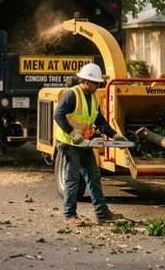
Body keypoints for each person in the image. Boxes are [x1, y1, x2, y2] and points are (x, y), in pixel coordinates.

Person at [54, 63, 127, 226]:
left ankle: (102, 213)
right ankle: (69, 215)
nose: (98, 85)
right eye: (96, 83)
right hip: (69, 144)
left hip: (85, 144)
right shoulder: (71, 95)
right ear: (86, 81)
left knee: (94, 177)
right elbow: (58, 115)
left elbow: (99, 121)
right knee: (73, 180)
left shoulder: (93, 98)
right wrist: (72, 133)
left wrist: (114, 135)